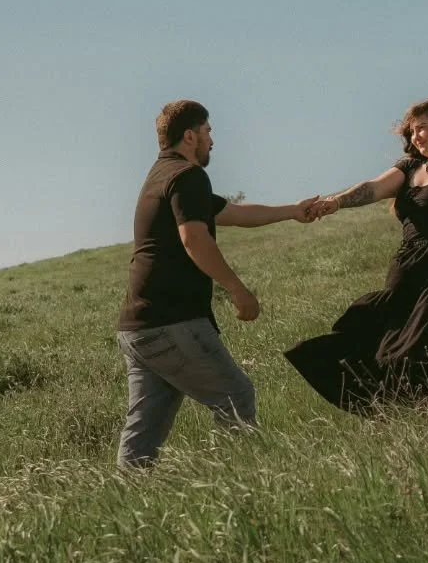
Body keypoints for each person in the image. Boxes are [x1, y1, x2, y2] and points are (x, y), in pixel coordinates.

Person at [116, 99, 314, 469]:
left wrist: (292, 211)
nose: (212, 142)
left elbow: (233, 213)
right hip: (173, 321)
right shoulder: (187, 176)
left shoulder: (161, 176)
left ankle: (127, 505)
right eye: (208, 132)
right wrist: (237, 288)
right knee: (236, 396)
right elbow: (194, 237)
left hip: (139, 327)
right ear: (190, 136)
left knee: (144, 430)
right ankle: (238, 488)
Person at [284, 98, 428, 411]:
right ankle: (422, 408)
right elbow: (372, 188)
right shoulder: (410, 169)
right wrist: (337, 202)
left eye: (423, 128)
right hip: (407, 270)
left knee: (420, 343)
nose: (416, 137)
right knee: (382, 343)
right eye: (412, 132)